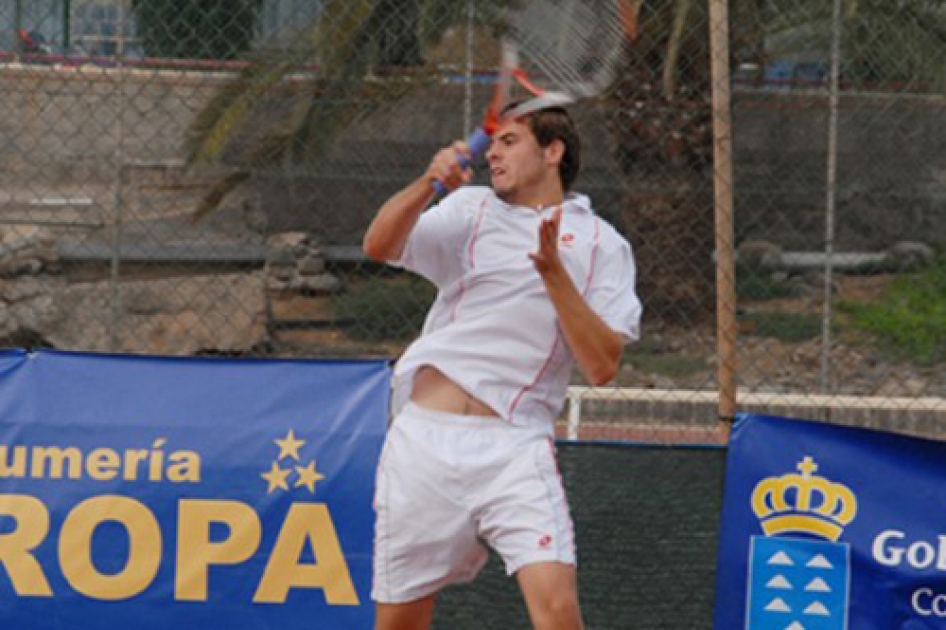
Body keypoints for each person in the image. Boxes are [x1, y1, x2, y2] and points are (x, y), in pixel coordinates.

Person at [362, 103, 642, 630]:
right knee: (400, 622)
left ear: (552, 151)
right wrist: (429, 183)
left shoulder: (604, 244)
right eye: (491, 142)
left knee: (558, 612)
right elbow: (379, 245)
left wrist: (554, 275)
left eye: (509, 141)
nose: (492, 152)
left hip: (515, 446)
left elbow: (603, 366)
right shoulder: (470, 211)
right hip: (424, 442)